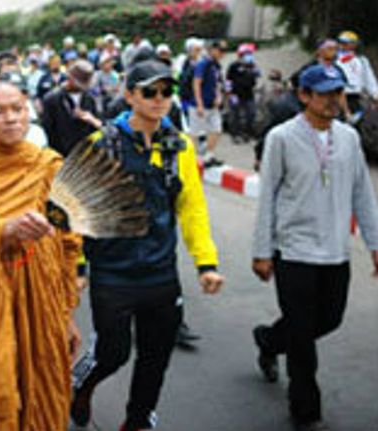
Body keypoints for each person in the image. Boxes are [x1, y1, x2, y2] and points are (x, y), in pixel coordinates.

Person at [70, 60, 223, 431]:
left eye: (166, 92)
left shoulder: (179, 146)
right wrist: (77, 267)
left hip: (160, 272)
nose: (159, 99)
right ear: (129, 95)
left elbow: (192, 208)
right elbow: (74, 210)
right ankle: (81, 386)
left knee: (156, 357)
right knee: (113, 354)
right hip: (112, 273)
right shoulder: (100, 144)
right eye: (149, 92)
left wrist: (206, 263)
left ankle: (138, 420)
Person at [0, 79, 83, 431]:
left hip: (44, 299)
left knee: (45, 385)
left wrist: (66, 312)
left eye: (17, 109)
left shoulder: (49, 167)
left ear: (29, 114)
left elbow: (68, 243)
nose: (10, 119)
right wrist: (4, 231)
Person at [251, 64, 378, 431]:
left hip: (335, 250)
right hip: (293, 251)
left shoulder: (349, 138)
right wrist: (262, 250)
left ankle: (269, 339)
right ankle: (306, 411)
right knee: (304, 335)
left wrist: (374, 244)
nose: (332, 100)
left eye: (337, 93)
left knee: (329, 319)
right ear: (303, 96)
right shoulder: (282, 138)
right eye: (323, 93)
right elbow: (268, 199)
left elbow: (362, 194)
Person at [41, 59, 100, 157]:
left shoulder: (89, 98)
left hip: (85, 154)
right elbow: (48, 130)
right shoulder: (52, 99)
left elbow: (97, 127)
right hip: (61, 154)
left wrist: (91, 119)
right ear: (70, 78)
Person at [191, 39, 227, 167]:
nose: (223, 53)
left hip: (212, 105)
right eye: (220, 50)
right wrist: (199, 103)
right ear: (212, 50)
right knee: (195, 133)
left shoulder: (216, 66)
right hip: (199, 104)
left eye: (224, 51)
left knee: (216, 129)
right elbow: (196, 83)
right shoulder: (203, 64)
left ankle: (209, 155)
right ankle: (190, 158)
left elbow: (217, 83)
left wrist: (218, 96)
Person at [226, 43, 261, 142]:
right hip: (235, 94)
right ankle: (235, 135)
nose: (249, 55)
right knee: (235, 115)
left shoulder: (252, 66)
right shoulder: (234, 66)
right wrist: (229, 93)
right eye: (247, 53)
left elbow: (258, 75)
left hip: (249, 94)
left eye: (250, 53)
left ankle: (247, 133)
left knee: (251, 114)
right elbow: (228, 80)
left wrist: (253, 68)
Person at [336, 31, 378, 113]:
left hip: (355, 97)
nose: (343, 45)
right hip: (338, 96)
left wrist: (375, 95)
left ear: (355, 44)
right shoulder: (334, 59)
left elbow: (369, 79)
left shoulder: (361, 60)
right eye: (341, 42)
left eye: (347, 43)